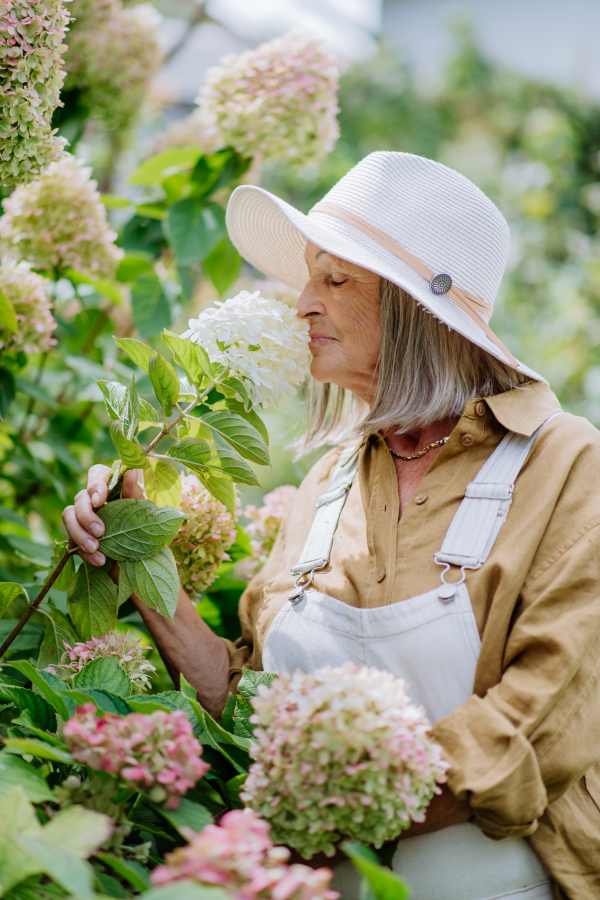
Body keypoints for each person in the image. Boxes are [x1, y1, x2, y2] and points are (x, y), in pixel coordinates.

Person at [62, 152, 600, 900]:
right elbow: (254, 704)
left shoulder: (566, 466)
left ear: (419, 309)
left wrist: (318, 811)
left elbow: (535, 730)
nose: (300, 304)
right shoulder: (328, 481)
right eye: (308, 276)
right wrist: (138, 559)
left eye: (334, 279)